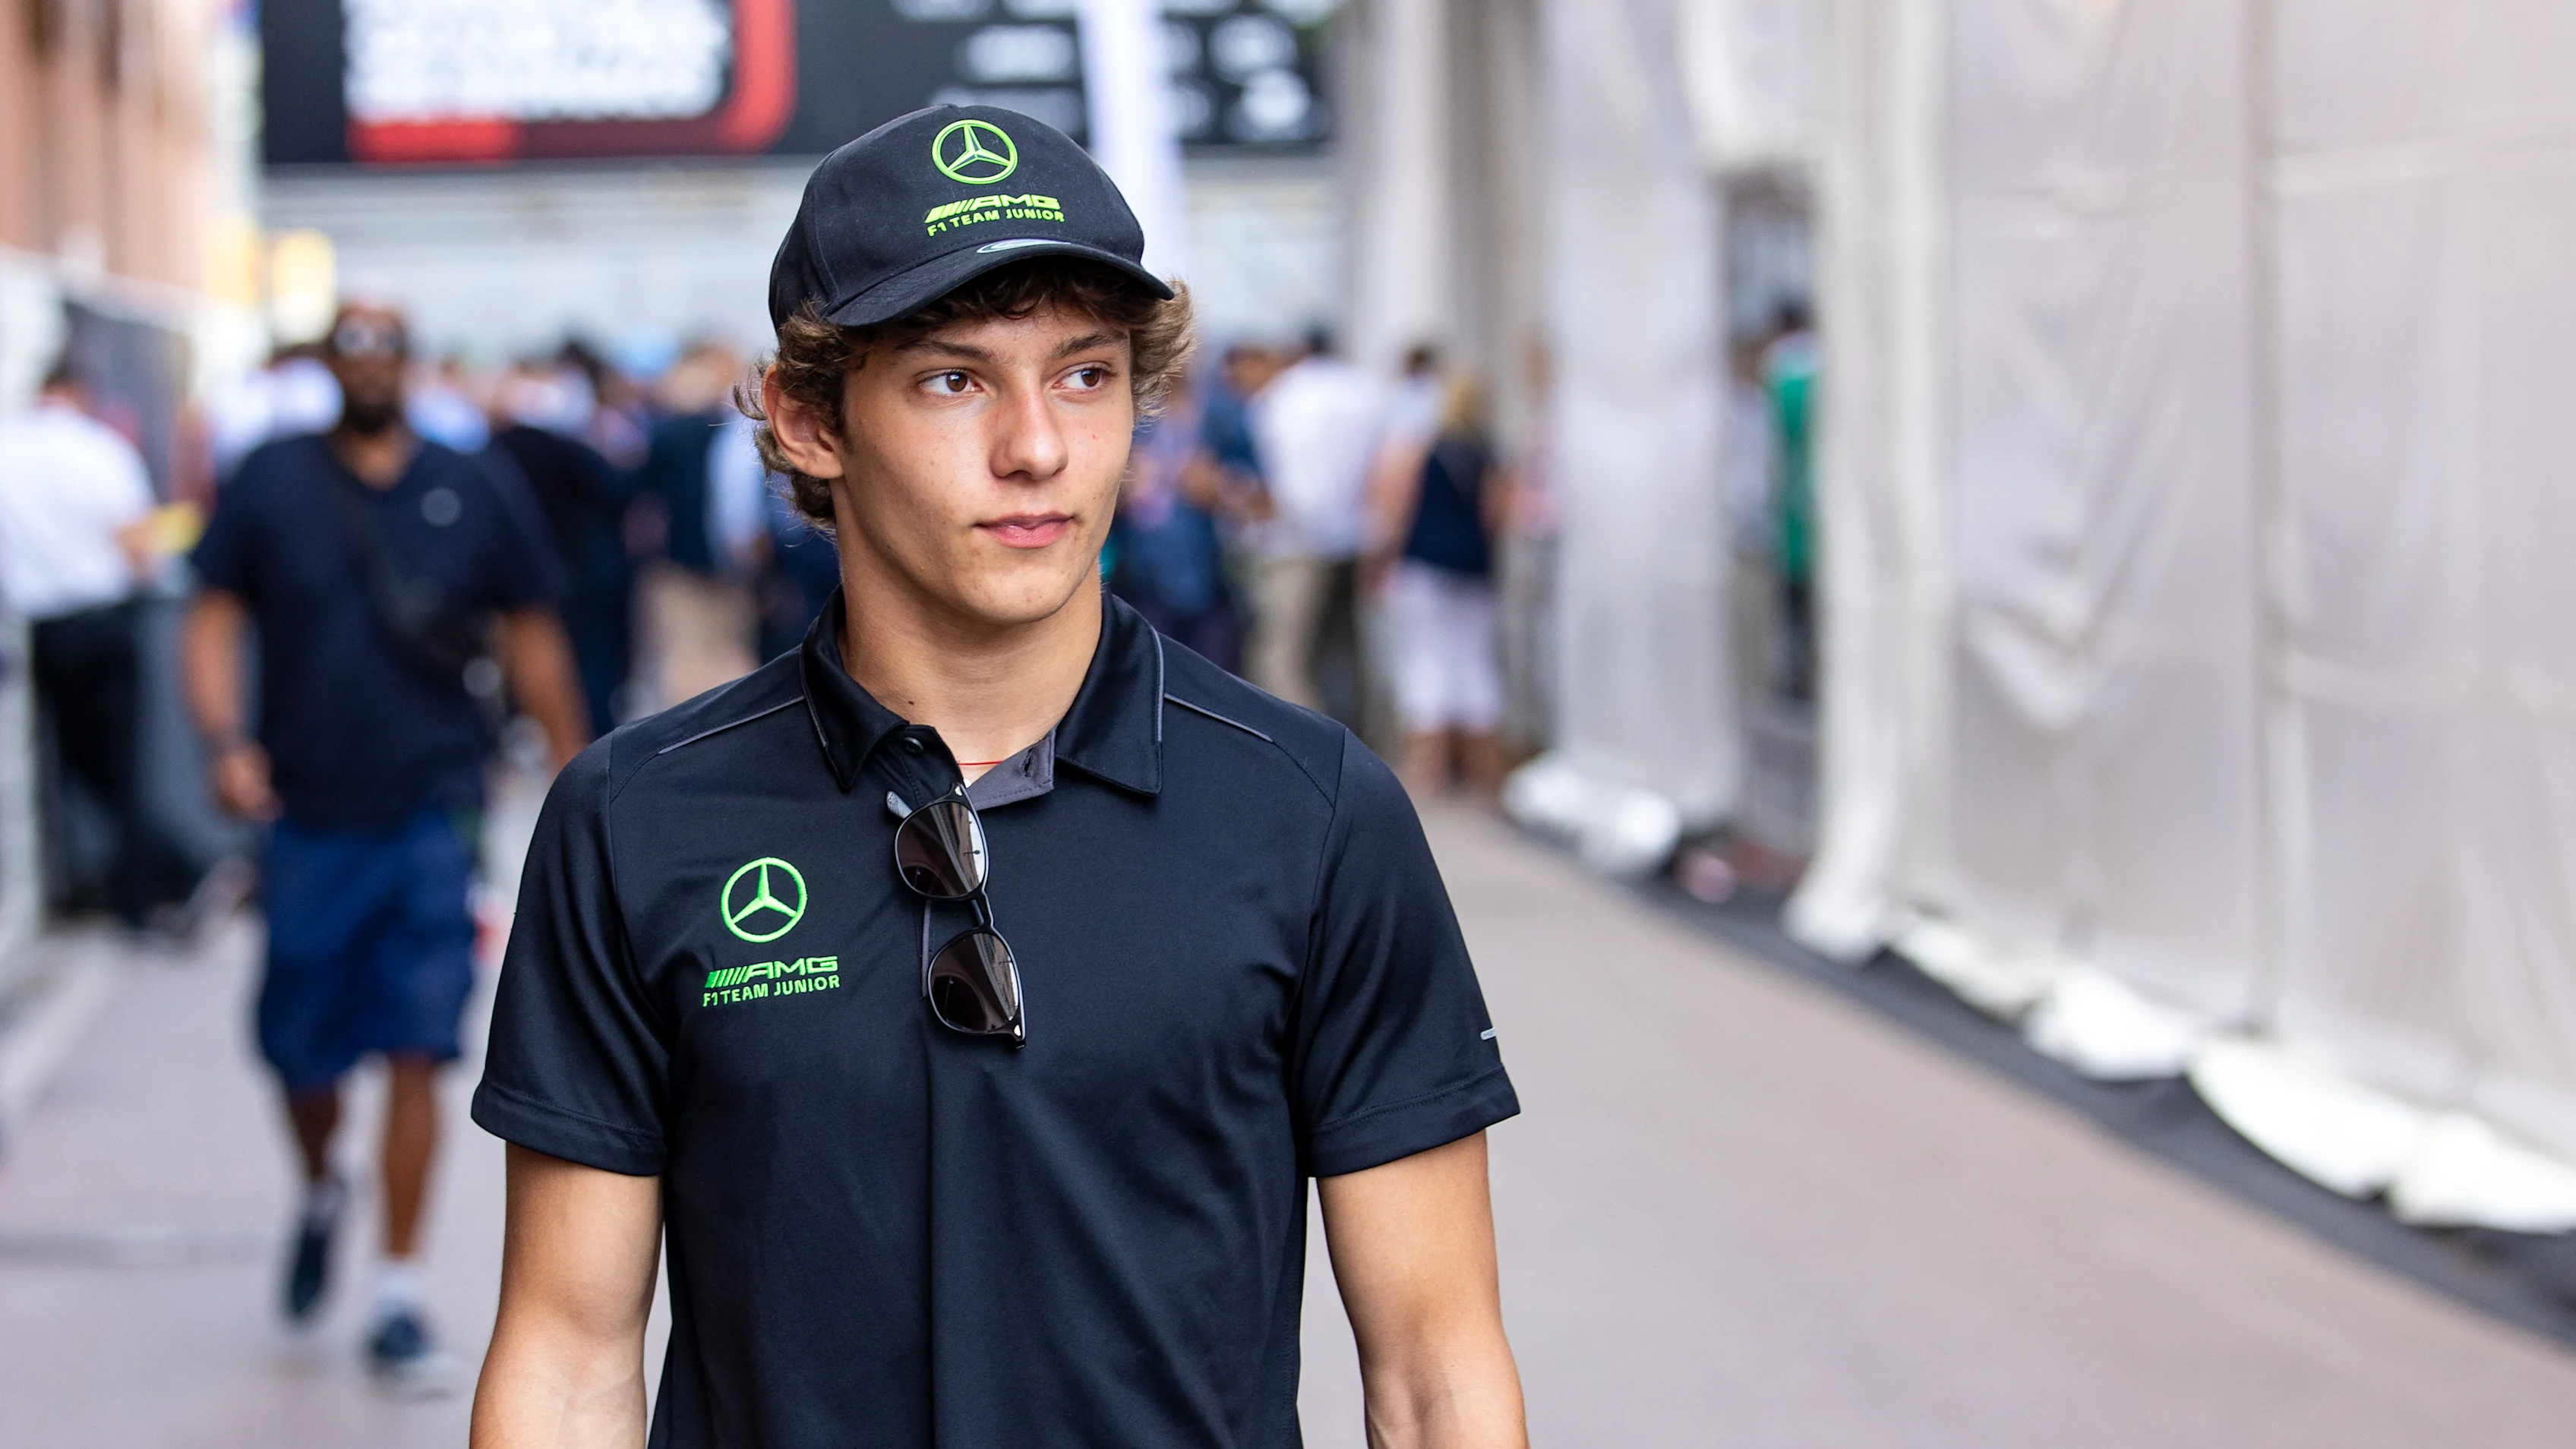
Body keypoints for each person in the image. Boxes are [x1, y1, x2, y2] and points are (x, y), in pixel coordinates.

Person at [470, 104, 1526, 1449]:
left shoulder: (1310, 809)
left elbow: (1437, 1371)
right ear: (806, 420)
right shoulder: (636, 820)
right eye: (952, 379)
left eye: (1085, 375)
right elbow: (566, 1359)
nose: (1037, 448)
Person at [181, 300, 588, 1391]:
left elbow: (534, 627)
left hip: (431, 812)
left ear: (409, 363)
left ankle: (398, 1291)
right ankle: (322, 1185)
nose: (370, 365)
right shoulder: (272, 478)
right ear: (329, 364)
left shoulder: (472, 481)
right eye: (349, 348)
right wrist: (224, 742)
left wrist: (584, 777)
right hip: (308, 817)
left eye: (386, 346)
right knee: (301, 1052)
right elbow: (212, 613)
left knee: (419, 1043)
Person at [0, 361, 188, 925]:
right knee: (124, 763)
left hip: (41, 630)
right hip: (103, 621)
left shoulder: (10, 448)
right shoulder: (100, 450)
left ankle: (62, 888)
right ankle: (140, 895)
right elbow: (137, 545)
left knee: (54, 767)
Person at [1368, 374, 1508, 795]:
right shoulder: (1487, 453)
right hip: (1473, 571)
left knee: (1426, 663)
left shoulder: (1423, 449)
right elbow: (1496, 512)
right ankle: (1483, 768)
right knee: (1474, 665)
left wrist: (1381, 562)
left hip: (1425, 568)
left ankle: (1428, 766)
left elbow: (1396, 509)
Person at [1245, 328, 1385, 724]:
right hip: (1356, 538)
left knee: (1282, 653)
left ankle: (1305, 746)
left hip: (1300, 543)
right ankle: (1363, 739)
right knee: (1350, 649)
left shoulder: (1289, 397)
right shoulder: (1365, 390)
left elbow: (1298, 486)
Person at [634, 340, 759, 708]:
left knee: (690, 654)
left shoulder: (676, 430)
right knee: (726, 651)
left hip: (687, 561)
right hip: (722, 561)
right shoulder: (736, 430)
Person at [1107, 371, 1239, 668]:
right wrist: (1124, 487)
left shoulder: (1217, 413)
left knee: (1209, 669)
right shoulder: (1129, 416)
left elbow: (1254, 492)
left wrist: (1218, 487)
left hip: (1206, 566)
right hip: (1143, 571)